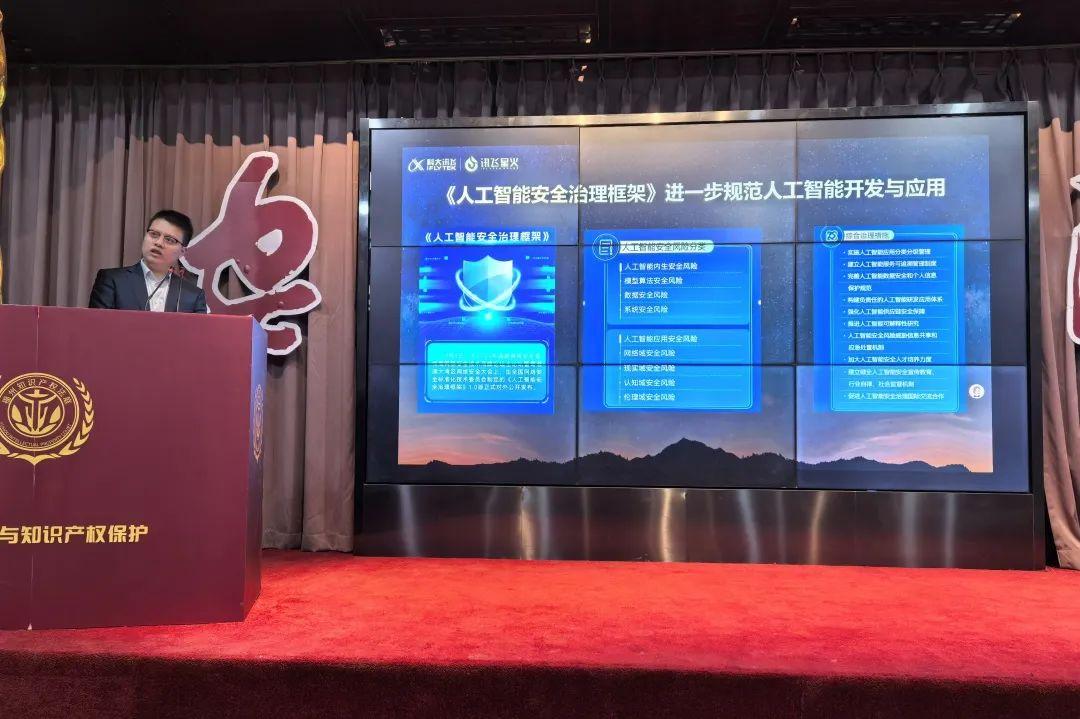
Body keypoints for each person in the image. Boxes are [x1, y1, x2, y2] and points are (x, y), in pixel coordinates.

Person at [88, 209, 208, 313]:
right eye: (154, 234)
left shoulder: (193, 295)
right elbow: (98, 327)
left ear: (182, 251)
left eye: (169, 240)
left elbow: (197, 332)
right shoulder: (113, 280)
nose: (158, 243)